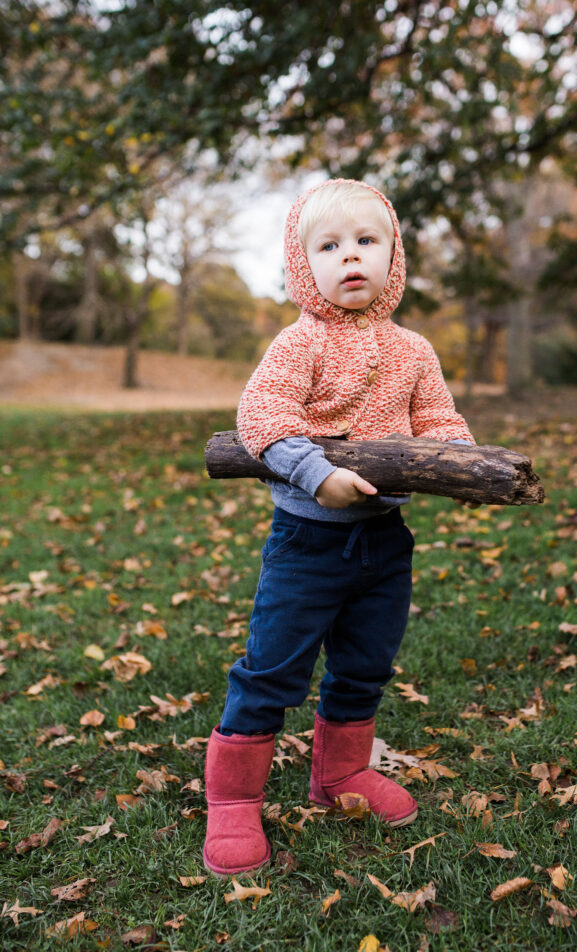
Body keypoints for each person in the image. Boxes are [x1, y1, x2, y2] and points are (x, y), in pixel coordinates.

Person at [203, 178, 475, 877]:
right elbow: (261, 417)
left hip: (385, 541)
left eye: (366, 242)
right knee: (272, 667)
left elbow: (438, 422)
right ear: (303, 265)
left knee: (365, 661)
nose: (349, 257)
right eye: (329, 246)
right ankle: (234, 801)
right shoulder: (300, 344)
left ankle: (341, 775)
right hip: (309, 542)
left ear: (393, 257)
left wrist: (461, 464)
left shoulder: (414, 350)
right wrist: (313, 472)